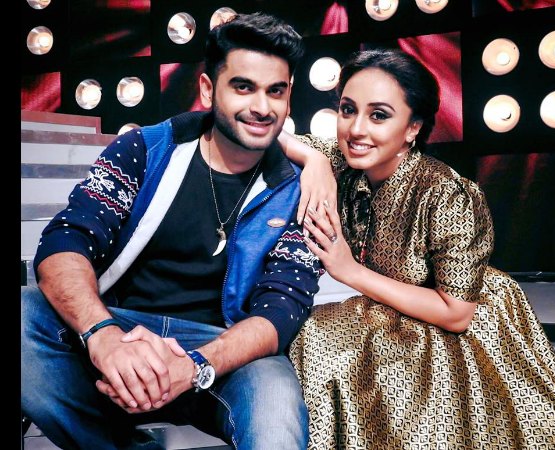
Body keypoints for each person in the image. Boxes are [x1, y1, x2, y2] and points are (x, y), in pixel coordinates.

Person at [21, 12, 331, 450]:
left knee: (276, 406)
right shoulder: (145, 150)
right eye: (243, 87)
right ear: (207, 89)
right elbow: (65, 242)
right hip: (123, 327)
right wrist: (103, 336)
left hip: (226, 347)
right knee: (24, 313)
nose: (262, 107)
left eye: (275, 91)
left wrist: (197, 364)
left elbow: (281, 309)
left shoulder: (298, 192)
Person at [280, 49, 555, 449]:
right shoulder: (341, 160)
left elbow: (456, 313)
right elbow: (270, 133)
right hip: (384, 305)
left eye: (379, 115)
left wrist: (350, 271)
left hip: (454, 317)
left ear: (413, 128)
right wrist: (312, 159)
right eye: (348, 110)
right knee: (314, 335)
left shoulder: (446, 193)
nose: (356, 129)